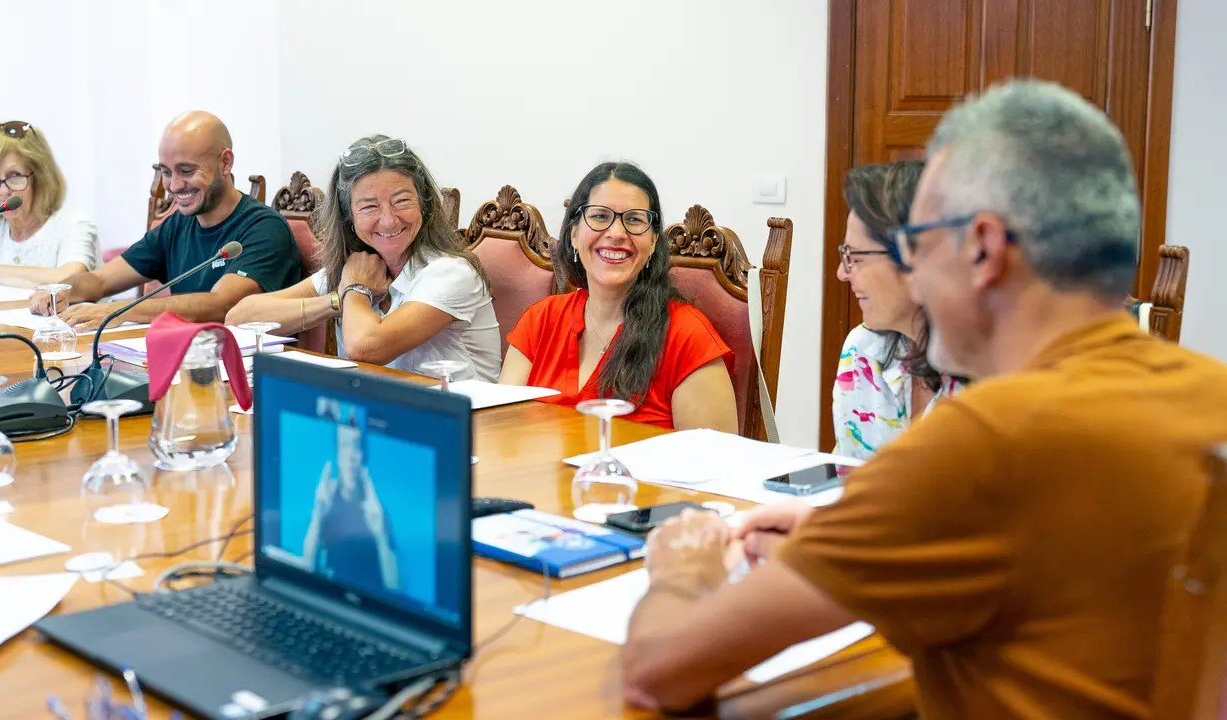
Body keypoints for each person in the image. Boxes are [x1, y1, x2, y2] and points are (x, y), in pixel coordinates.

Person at [620, 79, 1227, 718]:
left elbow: (657, 670)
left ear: (983, 249)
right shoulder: (1209, 394)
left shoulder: (981, 441)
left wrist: (684, 565)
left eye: (917, 245)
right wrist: (857, 533)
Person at [225, 135, 500, 381]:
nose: (389, 220)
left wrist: (355, 290)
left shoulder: (451, 273)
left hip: (468, 417)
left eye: (402, 201)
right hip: (384, 413)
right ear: (348, 216)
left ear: (424, 203)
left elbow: (365, 347)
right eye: (369, 206)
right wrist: (336, 299)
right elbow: (239, 319)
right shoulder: (360, 267)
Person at [498, 162, 737, 432]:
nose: (616, 233)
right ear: (574, 234)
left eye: (634, 220)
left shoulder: (687, 337)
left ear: (653, 242)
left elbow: (715, 457)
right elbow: (501, 431)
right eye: (600, 216)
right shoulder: (540, 320)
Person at [30, 111, 301, 330]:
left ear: (225, 162)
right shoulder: (178, 223)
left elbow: (221, 305)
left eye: (187, 171)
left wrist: (117, 311)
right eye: (166, 172)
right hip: (184, 358)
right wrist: (61, 291)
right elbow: (100, 281)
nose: (173, 186)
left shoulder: (265, 228)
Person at [833, 160, 964, 460]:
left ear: (912, 255)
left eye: (855, 257)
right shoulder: (863, 352)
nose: (842, 273)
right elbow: (849, 477)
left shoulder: (994, 373)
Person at [0, 120, 99, 287]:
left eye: (14, 176)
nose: (3, 191)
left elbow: (72, 279)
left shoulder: (74, 226)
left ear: (39, 178)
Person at [302, 420, 399, 592]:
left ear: (363, 457)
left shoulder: (376, 511)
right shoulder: (326, 503)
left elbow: (394, 587)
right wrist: (318, 514)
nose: (351, 457)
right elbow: (307, 566)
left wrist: (380, 535)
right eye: (345, 446)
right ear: (337, 456)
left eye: (356, 447)